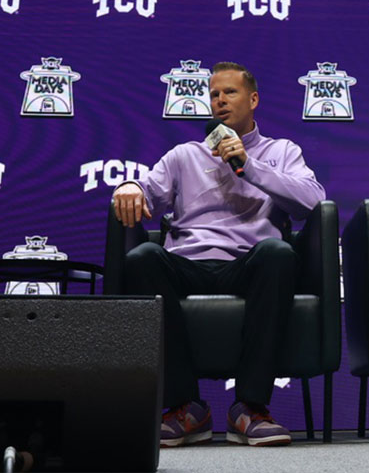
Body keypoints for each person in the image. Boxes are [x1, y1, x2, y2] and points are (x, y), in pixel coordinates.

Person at [111, 62, 325, 448]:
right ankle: (186, 408)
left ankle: (249, 408)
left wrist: (250, 166)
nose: (220, 101)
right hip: (187, 263)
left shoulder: (281, 151)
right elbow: (146, 190)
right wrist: (129, 185)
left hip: (248, 263)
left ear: (253, 99)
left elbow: (313, 202)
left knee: (278, 253)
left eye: (230, 92)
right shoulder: (184, 155)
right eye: (214, 94)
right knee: (142, 258)